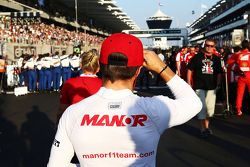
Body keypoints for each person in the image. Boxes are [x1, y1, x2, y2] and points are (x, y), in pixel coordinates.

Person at [47, 33, 202, 167]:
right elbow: (194, 103)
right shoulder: (153, 108)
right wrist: (162, 68)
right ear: (138, 71)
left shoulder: (73, 113)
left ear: (100, 66)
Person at [187, 38, 223, 138]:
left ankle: (206, 126)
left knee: (210, 110)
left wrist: (219, 84)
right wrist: (189, 83)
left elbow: (219, 72)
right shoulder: (197, 57)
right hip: (199, 86)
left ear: (214, 47)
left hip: (212, 87)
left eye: (211, 46)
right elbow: (190, 70)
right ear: (204, 45)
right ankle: (204, 128)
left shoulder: (216, 59)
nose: (209, 47)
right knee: (202, 108)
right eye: (207, 45)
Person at [58, 50, 102, 121]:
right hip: (97, 123)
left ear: (81, 66)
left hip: (74, 123)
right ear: (98, 68)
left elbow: (62, 109)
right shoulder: (104, 85)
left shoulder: (69, 83)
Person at [227, 40, 250, 116]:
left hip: (241, 76)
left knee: (239, 94)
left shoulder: (238, 55)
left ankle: (238, 110)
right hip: (249, 75)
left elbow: (231, 63)